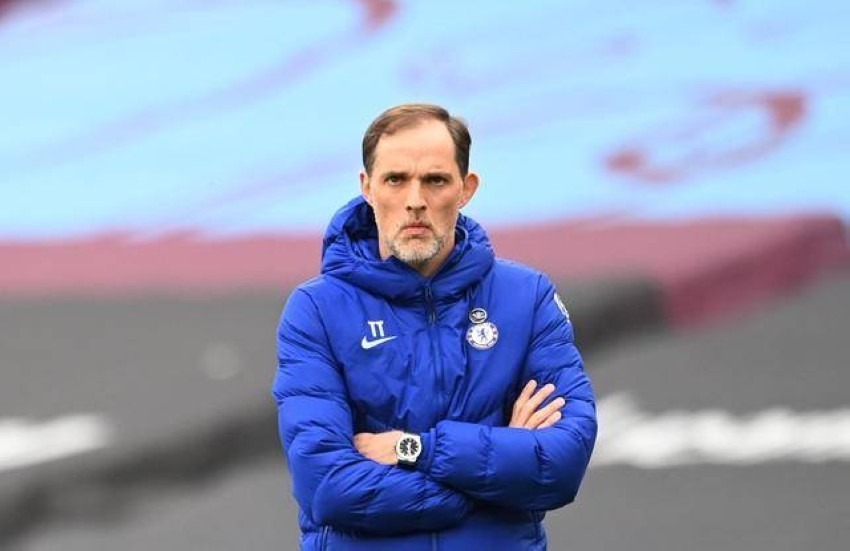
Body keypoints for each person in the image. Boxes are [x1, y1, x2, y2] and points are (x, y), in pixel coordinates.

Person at [272, 104, 597, 550]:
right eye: (395, 179)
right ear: (367, 187)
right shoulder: (316, 310)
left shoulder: (527, 297)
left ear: (466, 188)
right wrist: (495, 478)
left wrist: (416, 449)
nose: (415, 201)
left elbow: (562, 464)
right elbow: (328, 487)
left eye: (435, 180)